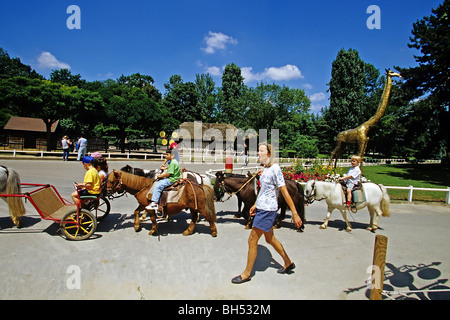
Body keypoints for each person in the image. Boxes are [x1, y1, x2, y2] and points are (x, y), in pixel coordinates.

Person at [231, 143, 303, 284]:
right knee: (270, 239)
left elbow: (284, 191)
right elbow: (264, 191)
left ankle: (246, 274)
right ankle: (288, 262)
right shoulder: (265, 169)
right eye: (258, 150)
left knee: (252, 240)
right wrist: (255, 204)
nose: (258, 153)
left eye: (261, 151)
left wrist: (295, 213)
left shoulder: (275, 169)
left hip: (268, 210)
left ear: (269, 154)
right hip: (262, 207)